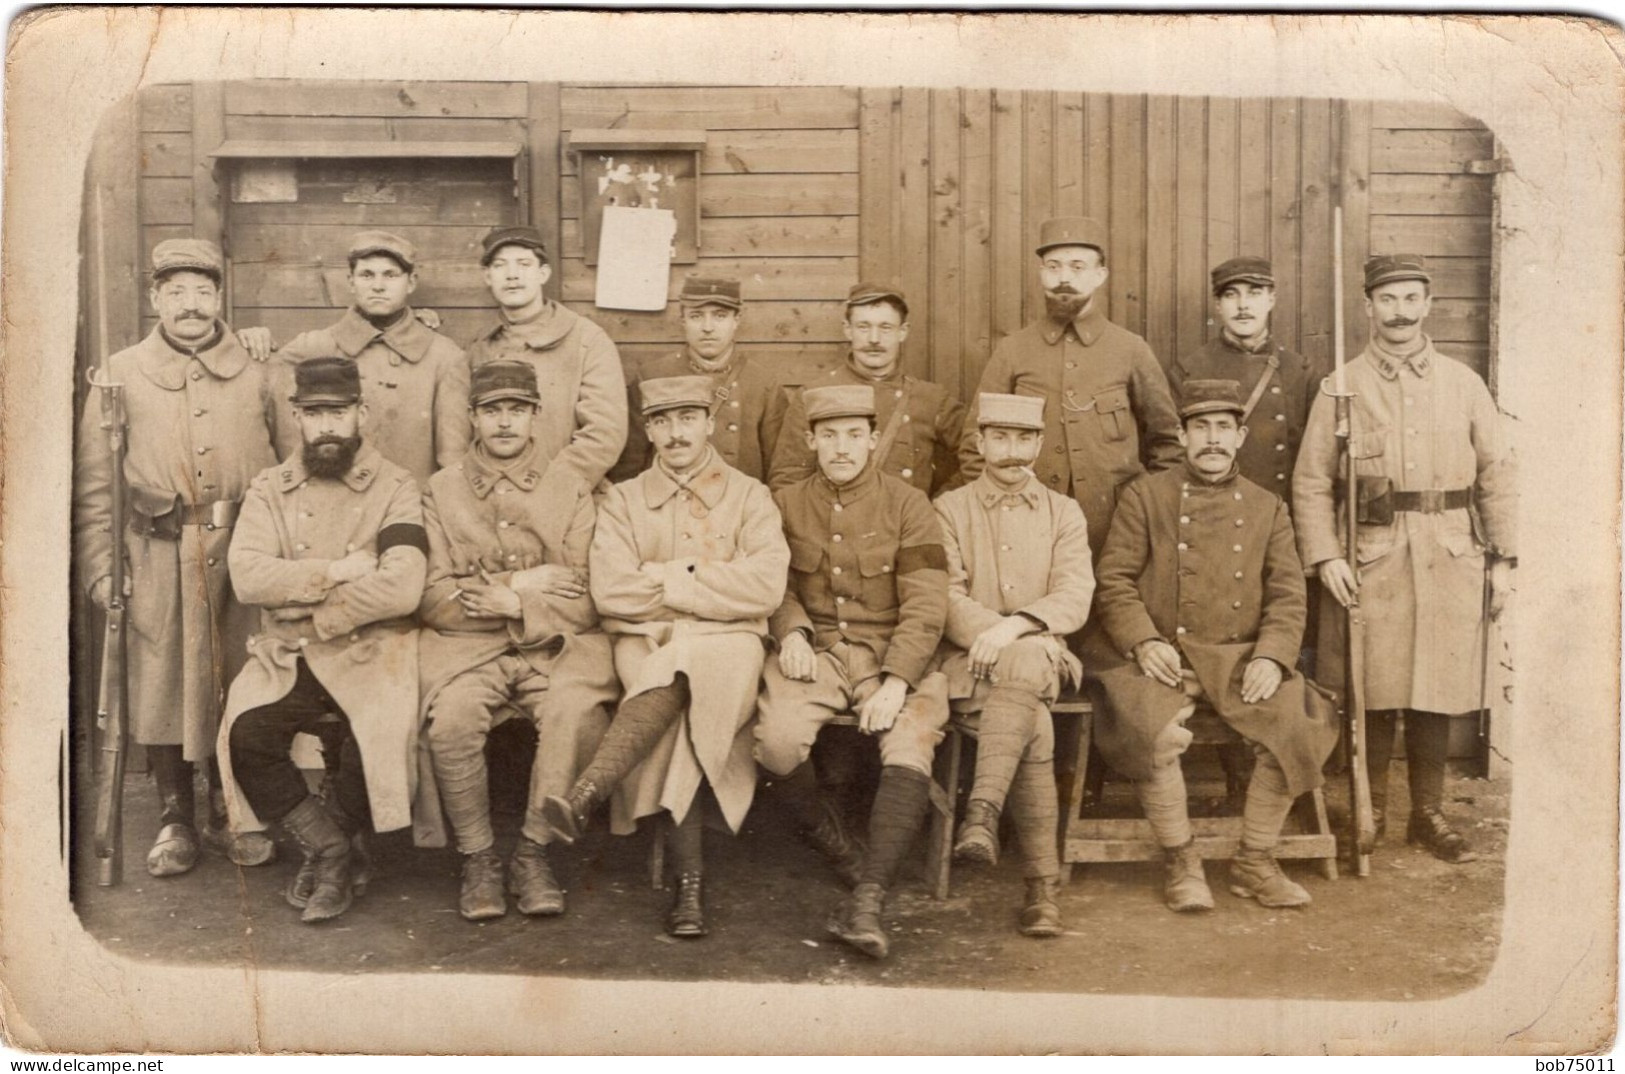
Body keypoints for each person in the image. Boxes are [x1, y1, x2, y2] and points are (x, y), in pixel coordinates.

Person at [540, 375, 789, 939]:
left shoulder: (750, 495)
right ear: (649, 430)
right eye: (662, 422)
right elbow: (611, 592)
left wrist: (672, 579)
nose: (676, 434)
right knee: (671, 681)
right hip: (645, 641)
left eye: (687, 419)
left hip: (730, 644)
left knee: (681, 685)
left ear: (708, 423)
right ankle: (688, 886)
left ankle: (591, 795)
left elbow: (767, 586)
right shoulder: (625, 500)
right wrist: (707, 596)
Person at [1293, 254, 1516, 864]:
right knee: (1378, 687)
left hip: (1450, 552)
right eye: (1387, 300)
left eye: (1411, 298)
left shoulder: (1462, 383)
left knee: (1436, 689)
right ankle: (1374, 810)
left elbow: (1497, 472)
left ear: (1428, 305)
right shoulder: (1341, 388)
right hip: (1373, 555)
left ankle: (1427, 813)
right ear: (1368, 306)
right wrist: (1325, 555)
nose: (1400, 312)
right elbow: (1313, 482)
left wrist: (1503, 558)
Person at [1090, 379, 1339, 913]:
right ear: (1181, 435)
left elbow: (1289, 594)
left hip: (1238, 656)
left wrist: (1272, 655)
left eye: (1223, 428)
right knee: (1152, 732)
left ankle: (1255, 861)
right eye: (1200, 427)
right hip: (1164, 656)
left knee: (1296, 726)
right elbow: (1114, 580)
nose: (1212, 439)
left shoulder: (1267, 506)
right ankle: (1181, 859)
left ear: (1241, 436)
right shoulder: (1145, 495)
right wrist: (1141, 640)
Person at [73, 237, 280, 875]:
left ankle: (229, 806)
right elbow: (94, 490)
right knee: (163, 683)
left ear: (220, 298)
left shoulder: (260, 367)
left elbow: (293, 466)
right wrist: (104, 570)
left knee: (240, 681)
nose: (191, 305)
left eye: (203, 291)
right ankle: (175, 817)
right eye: (176, 292)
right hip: (157, 553)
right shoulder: (118, 374)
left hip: (244, 553)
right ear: (155, 298)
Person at [217, 356, 433, 923]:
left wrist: (310, 609)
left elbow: (404, 586)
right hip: (289, 654)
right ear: (297, 418)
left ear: (361, 413)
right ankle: (334, 849)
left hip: (373, 650)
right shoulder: (270, 489)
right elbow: (248, 577)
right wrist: (338, 571)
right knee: (247, 733)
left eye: (339, 412)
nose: (329, 426)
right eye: (315, 414)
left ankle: (329, 852)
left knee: (375, 730)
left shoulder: (396, 486)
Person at [754, 384, 951, 961]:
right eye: (830, 435)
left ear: (872, 440)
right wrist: (789, 629)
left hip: (895, 654)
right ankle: (838, 846)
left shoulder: (909, 504)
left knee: (912, 739)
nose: (842, 447)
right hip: (816, 654)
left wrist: (896, 681)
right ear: (811, 440)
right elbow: (776, 582)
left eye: (854, 435)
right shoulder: (784, 503)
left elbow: (926, 603)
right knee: (776, 744)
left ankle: (868, 898)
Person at [418, 361, 619, 921]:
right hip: (464, 652)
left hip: (551, 650)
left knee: (572, 713)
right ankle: (478, 857)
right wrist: (521, 586)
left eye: (516, 410)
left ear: (535, 416)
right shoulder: (441, 490)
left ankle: (533, 853)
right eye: (491, 410)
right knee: (452, 718)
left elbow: (586, 602)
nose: (504, 422)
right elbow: (432, 599)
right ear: (472, 418)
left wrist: (515, 607)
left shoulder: (570, 488)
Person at [931, 393, 1095, 937]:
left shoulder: (1063, 511)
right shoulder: (948, 509)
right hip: (969, 663)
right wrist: (1003, 637)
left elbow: (1075, 595)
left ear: (1040, 444)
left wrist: (1012, 627)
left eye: (1024, 439)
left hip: (1042, 655)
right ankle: (1042, 889)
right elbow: (946, 598)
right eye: (999, 438)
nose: (1012, 452)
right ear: (979, 442)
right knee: (1035, 726)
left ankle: (981, 811)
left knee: (1025, 661)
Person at [958, 217, 1182, 558]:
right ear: (1041, 273)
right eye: (1054, 266)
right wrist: (1005, 512)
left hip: (1117, 535)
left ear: (1100, 275)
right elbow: (973, 446)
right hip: (1027, 534)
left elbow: (1168, 446)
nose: (1064, 278)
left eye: (1078, 267)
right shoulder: (1014, 351)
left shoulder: (1131, 350)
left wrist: (1145, 513)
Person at [271, 230, 471, 487]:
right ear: (351, 282)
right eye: (367, 275)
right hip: (333, 508)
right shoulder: (311, 348)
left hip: (410, 512)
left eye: (390, 275)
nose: (378, 285)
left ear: (410, 283)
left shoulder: (444, 357)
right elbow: (287, 440)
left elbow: (452, 462)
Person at [464, 225, 628, 489]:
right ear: (487, 276)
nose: (512, 275)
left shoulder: (587, 340)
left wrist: (551, 486)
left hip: (563, 493)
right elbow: (461, 433)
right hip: (490, 498)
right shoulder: (477, 348)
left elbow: (604, 434)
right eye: (500, 265)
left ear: (543, 273)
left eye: (524, 264)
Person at [770, 284, 964, 497]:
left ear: (903, 332)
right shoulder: (813, 394)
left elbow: (979, 456)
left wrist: (942, 507)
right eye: (863, 327)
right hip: (834, 526)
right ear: (847, 329)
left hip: (906, 526)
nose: (874, 339)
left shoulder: (931, 398)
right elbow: (788, 479)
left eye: (885, 328)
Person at [1168, 256, 1330, 505]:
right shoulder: (1189, 371)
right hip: (1214, 512)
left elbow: (1319, 462)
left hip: (1281, 517)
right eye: (1231, 295)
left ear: (1271, 300)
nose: (1243, 306)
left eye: (1254, 293)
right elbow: (1172, 455)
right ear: (1218, 305)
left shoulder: (1300, 372)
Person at [611, 275, 789, 484]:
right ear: (683, 321)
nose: (707, 327)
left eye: (719, 316)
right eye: (696, 316)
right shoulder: (652, 376)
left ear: (736, 321)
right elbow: (629, 465)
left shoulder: (762, 383)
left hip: (737, 508)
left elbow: (779, 468)